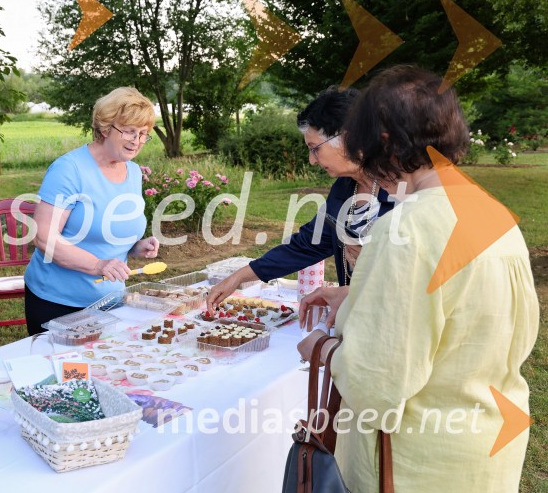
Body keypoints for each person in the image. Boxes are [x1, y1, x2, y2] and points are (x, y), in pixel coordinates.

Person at [297, 66, 539, 491]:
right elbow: (468, 312)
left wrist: (322, 349)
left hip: (414, 464)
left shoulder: (406, 226)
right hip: (486, 450)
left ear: (384, 139)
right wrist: (359, 297)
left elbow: (375, 384)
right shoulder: (492, 212)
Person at [207, 86, 394, 309]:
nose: (311, 160)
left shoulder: (406, 190)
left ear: (347, 139)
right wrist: (238, 277)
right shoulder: (344, 188)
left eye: (315, 149)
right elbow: (307, 245)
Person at [23, 87, 160, 335]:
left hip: (111, 301)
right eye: (129, 131)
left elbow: (105, 231)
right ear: (106, 127)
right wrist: (98, 265)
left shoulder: (133, 172)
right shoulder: (69, 169)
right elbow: (44, 237)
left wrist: (135, 246)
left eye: (143, 134)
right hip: (59, 303)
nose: (137, 141)